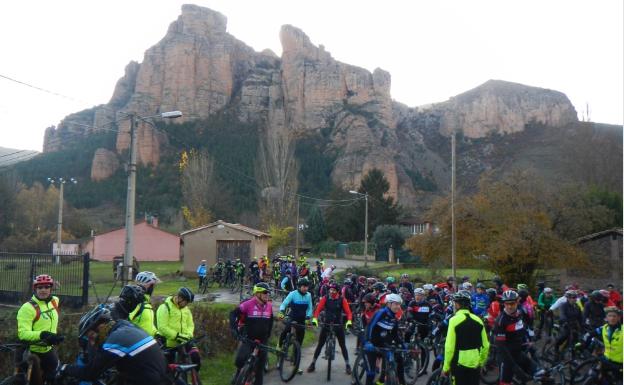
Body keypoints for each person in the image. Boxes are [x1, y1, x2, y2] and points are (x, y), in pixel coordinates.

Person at [58, 304, 168, 385]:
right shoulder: (124, 327)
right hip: (157, 373)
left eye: (90, 336)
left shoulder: (115, 339)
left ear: (100, 327)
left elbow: (90, 373)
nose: (91, 342)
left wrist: (65, 368)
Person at [16, 274, 63, 383]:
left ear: (51, 289)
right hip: (31, 352)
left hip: (48, 349)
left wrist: (55, 336)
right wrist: (43, 335)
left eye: (46, 287)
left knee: (54, 377)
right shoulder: (27, 308)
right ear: (35, 289)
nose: (43, 290)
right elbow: (22, 334)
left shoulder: (54, 301)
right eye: (40, 287)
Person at [441, 290, 489, 385]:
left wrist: (446, 368)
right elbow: (486, 345)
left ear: (458, 305)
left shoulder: (453, 320)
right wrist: (481, 363)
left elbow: (449, 347)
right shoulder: (478, 320)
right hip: (475, 362)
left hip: (459, 363)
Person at [230, 283, 274, 385]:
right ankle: (238, 374)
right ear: (257, 293)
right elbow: (233, 314)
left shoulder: (269, 306)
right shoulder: (248, 304)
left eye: (268, 293)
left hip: (263, 340)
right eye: (265, 292)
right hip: (249, 337)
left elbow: (271, 320)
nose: (267, 294)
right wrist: (234, 329)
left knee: (260, 370)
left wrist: (268, 334)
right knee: (240, 360)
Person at [308, 283, 353, 374]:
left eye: (333, 290)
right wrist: (315, 319)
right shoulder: (325, 298)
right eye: (330, 290)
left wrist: (349, 321)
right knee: (320, 344)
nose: (331, 291)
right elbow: (318, 309)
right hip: (326, 324)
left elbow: (348, 312)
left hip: (338, 325)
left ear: (337, 291)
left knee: (342, 345)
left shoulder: (342, 300)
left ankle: (348, 365)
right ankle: (313, 363)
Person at [362, 293, 406, 385]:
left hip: (383, 345)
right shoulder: (381, 313)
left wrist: (402, 344)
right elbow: (369, 327)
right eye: (396, 304)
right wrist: (368, 342)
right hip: (371, 345)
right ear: (389, 304)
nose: (398, 307)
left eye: (399, 305)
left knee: (399, 359)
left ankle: (401, 381)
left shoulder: (394, 318)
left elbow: (395, 334)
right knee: (371, 373)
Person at [494, 290, 535, 385]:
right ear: (503, 304)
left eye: (512, 303)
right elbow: (502, 349)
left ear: (517, 302)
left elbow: (522, 330)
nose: (509, 306)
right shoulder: (501, 321)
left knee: (541, 374)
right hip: (506, 359)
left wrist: (528, 341)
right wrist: (515, 368)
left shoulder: (519, 314)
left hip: (518, 353)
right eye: (506, 304)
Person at [156, 287, 200, 370]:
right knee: (170, 370)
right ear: (179, 298)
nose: (186, 305)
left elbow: (190, 324)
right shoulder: (165, 307)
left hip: (185, 341)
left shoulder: (186, 309)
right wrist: (178, 336)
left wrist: (189, 335)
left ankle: (195, 379)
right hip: (169, 344)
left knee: (196, 358)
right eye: (186, 302)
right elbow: (162, 327)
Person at [278, 277, 313, 349]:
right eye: (304, 286)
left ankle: (296, 355)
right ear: (299, 286)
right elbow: (284, 304)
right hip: (292, 317)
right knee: (286, 330)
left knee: (301, 336)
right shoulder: (293, 294)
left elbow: (310, 308)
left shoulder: (308, 295)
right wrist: (281, 311)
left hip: (302, 319)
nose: (306, 288)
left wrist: (308, 317)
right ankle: (279, 346)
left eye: (307, 286)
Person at [595, 307, 622, 379]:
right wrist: (581, 343)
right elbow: (591, 333)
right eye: (610, 316)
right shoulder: (604, 328)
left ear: (618, 318)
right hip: (607, 359)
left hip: (619, 363)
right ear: (606, 318)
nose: (612, 318)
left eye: (614, 316)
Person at [555, 290, 583, 358]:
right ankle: (556, 349)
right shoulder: (563, 305)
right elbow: (562, 315)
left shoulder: (577, 306)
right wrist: (565, 321)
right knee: (563, 337)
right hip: (565, 324)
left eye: (575, 297)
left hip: (574, 325)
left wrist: (583, 324)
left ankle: (572, 356)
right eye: (573, 298)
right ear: (568, 298)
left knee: (575, 340)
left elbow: (580, 317)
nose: (575, 299)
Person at [131, 271, 160, 336]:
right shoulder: (136, 302)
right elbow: (125, 324)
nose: (153, 288)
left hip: (148, 342)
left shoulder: (146, 302)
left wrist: (157, 334)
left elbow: (149, 325)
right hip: (138, 343)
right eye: (152, 286)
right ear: (147, 286)